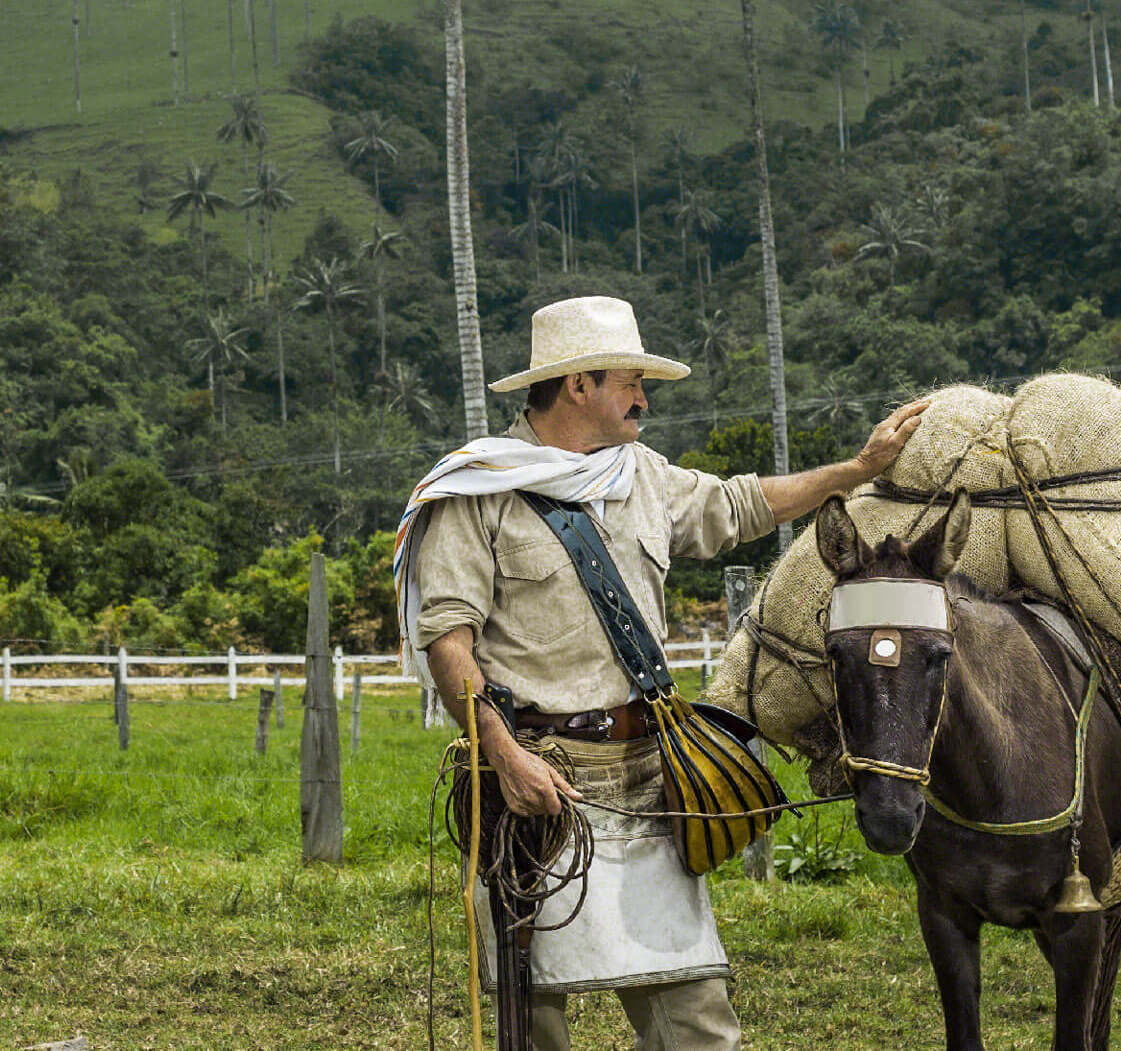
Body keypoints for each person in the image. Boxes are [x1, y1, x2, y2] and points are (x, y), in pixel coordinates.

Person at [397, 295, 927, 1051]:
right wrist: (502, 755)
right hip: (536, 790)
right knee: (533, 1023)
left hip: (651, 778)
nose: (644, 397)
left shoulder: (641, 474)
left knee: (698, 1025)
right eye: (629, 381)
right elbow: (449, 642)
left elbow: (744, 505)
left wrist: (860, 468)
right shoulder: (477, 492)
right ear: (578, 385)